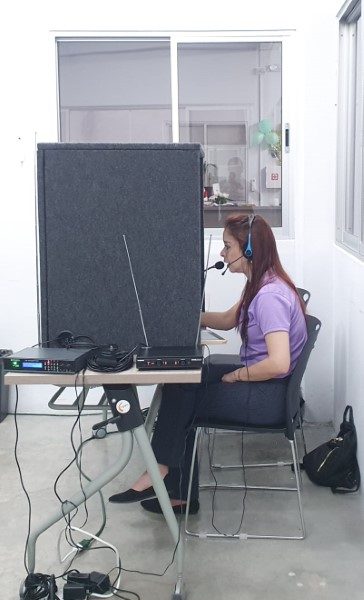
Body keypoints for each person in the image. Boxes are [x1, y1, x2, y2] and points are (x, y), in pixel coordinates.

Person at [109, 214, 308, 514]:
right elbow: (229, 320)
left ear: (249, 250)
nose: (222, 254)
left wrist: (239, 376)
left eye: (227, 247)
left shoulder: (269, 296)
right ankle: (176, 489)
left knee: (183, 393)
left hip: (268, 396)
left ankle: (161, 473)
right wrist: (186, 318)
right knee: (184, 380)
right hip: (267, 386)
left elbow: (279, 363)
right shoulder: (260, 282)